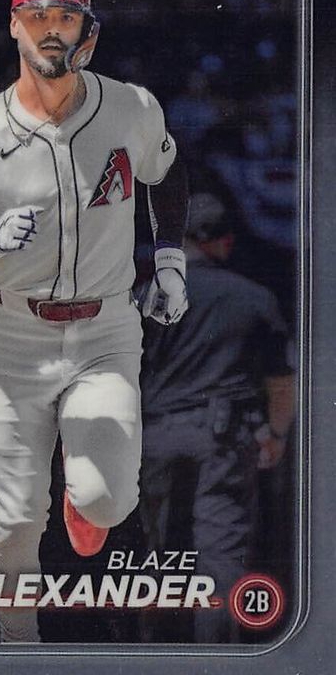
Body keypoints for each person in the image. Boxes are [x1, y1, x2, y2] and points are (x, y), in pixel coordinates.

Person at [0, 0, 189, 642]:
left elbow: (165, 172)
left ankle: (84, 480)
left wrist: (168, 260)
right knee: (16, 518)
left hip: (105, 330)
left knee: (106, 502)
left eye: (65, 17)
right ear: (14, 27)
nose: (50, 30)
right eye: (37, 16)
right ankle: (19, 650)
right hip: (13, 335)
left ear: (87, 33)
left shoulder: (131, 106)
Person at [139, 192, 295, 643]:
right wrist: (276, 434)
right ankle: (216, 660)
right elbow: (282, 382)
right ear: (222, 240)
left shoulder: (143, 296)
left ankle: (143, 652)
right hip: (223, 436)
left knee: (148, 552)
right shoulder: (254, 298)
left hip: (153, 435)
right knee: (220, 554)